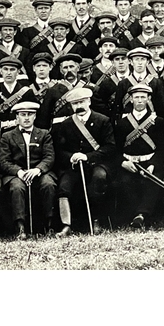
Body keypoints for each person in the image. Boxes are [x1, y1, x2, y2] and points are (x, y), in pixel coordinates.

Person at [53, 87, 116, 236]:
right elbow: (59, 150)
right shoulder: (66, 124)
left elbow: (110, 147)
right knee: (64, 186)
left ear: (89, 101)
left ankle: (96, 221)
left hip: (97, 163)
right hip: (74, 166)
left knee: (98, 179)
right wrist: (71, 156)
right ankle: (66, 225)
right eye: (75, 104)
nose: (79, 106)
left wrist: (88, 156)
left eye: (81, 102)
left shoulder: (102, 120)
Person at [0, 101, 57, 239]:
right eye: (22, 115)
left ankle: (49, 226)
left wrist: (37, 170)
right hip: (17, 174)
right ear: (17, 118)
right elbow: (4, 160)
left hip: (39, 172)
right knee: (17, 187)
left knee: (49, 184)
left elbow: (49, 157)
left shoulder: (44, 134)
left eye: (30, 115)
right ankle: (20, 228)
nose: (26, 118)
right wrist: (19, 172)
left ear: (35, 117)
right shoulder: (7, 136)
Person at [114, 83, 164, 228]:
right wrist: (123, 162)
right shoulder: (122, 123)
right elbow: (116, 149)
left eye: (143, 97)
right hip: (129, 163)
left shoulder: (158, 122)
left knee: (153, 182)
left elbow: (162, 149)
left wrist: (153, 164)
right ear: (130, 99)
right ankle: (134, 215)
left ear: (149, 99)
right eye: (136, 97)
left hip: (150, 162)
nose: (139, 100)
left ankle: (142, 215)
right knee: (125, 182)